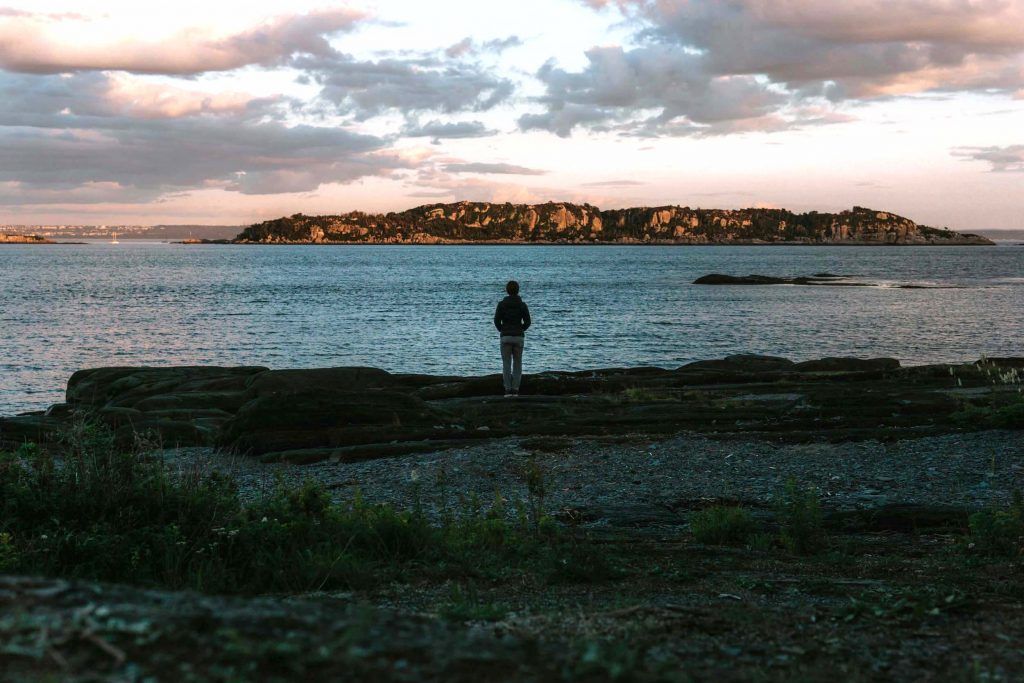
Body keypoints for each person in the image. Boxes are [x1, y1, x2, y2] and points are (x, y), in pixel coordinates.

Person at [493, 280, 531, 397]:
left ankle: (507, 390)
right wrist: (521, 329)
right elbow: (528, 322)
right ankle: (515, 389)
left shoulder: (502, 304)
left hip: (506, 336)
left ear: (507, 290)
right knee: (518, 364)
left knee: (506, 364)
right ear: (518, 291)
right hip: (518, 336)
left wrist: (502, 330)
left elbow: (496, 320)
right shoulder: (522, 305)